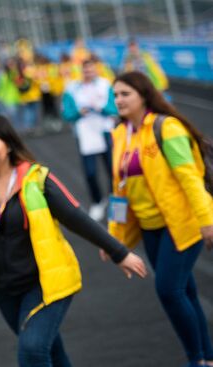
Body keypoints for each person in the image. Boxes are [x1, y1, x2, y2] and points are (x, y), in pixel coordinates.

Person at [0, 115, 147, 367]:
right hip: (3, 289)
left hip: (46, 283)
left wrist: (119, 252)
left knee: (32, 350)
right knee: (51, 351)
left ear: (9, 145)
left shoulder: (37, 179)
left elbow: (75, 216)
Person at [110, 71, 213, 367]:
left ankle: (197, 360)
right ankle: (206, 357)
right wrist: (113, 236)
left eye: (125, 94)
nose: (119, 100)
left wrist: (207, 220)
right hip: (150, 229)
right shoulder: (120, 134)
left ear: (144, 95)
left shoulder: (166, 128)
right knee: (185, 290)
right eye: (115, 95)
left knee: (169, 290)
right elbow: (118, 189)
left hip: (183, 222)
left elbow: (189, 178)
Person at [62, 56, 118, 221]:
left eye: (91, 69)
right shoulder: (72, 88)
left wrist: (100, 107)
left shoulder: (105, 85)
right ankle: (97, 201)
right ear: (82, 70)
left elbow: (114, 108)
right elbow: (66, 113)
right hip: (85, 135)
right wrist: (79, 113)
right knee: (90, 172)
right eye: (86, 69)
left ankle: (116, 203)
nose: (89, 72)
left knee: (113, 171)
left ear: (96, 69)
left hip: (105, 132)